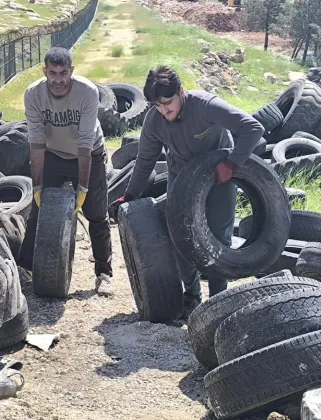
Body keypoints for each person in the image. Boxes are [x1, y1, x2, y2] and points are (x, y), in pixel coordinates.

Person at [109, 65, 264, 319]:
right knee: (182, 238)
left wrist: (232, 163)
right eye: (157, 106)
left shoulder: (205, 105)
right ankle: (192, 296)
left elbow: (252, 128)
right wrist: (129, 194)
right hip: (181, 180)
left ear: (181, 91)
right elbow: (145, 160)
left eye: (168, 103)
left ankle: (219, 302)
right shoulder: (154, 120)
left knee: (218, 240)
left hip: (219, 178)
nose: (164, 110)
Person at [18, 47, 114, 297]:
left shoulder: (87, 92)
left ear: (72, 71)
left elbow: (85, 143)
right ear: (44, 72)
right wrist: (37, 186)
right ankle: (25, 267)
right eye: (53, 73)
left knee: (97, 215)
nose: (58, 79)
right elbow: (36, 144)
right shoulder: (33, 94)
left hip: (89, 153)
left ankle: (104, 273)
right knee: (38, 211)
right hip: (54, 154)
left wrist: (82, 189)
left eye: (63, 73)